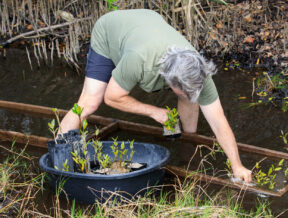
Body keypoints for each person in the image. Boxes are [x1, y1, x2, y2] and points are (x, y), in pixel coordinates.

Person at [59, 9, 252, 182]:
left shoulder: (198, 71)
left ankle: (188, 143)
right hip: (110, 32)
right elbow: (112, 98)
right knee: (89, 103)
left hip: (148, 24)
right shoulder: (140, 61)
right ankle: (60, 154)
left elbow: (218, 121)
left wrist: (237, 165)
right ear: (170, 81)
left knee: (189, 98)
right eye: (184, 89)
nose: (194, 93)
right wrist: (154, 112)